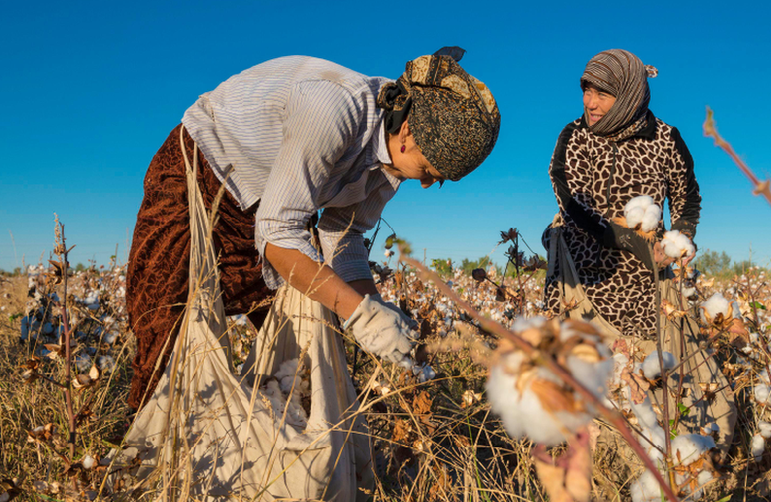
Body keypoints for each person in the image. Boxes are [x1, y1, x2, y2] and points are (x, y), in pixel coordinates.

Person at [126, 50, 501, 410]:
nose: (425, 184)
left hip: (272, 206)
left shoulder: (389, 169)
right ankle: (146, 457)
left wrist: (377, 311)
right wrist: (359, 314)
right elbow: (277, 234)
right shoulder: (334, 109)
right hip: (200, 175)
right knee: (165, 327)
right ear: (407, 133)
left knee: (297, 350)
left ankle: (269, 452)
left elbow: (344, 236)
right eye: (431, 171)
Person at [543, 49, 735, 452]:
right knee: (599, 398)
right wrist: (631, 241)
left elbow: (688, 198)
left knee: (687, 392)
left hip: (651, 289)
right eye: (586, 90)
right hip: (587, 283)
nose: (590, 102)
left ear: (629, 94)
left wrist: (679, 240)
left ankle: (690, 466)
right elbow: (572, 204)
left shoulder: (665, 139)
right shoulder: (574, 138)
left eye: (603, 93)